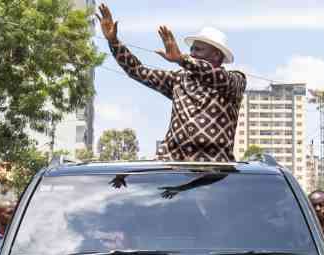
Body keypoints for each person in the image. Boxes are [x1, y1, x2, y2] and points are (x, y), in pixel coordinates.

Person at [98, 4, 245, 162]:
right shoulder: (179, 79)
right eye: (191, 50)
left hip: (215, 167)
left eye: (198, 50)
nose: (192, 54)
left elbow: (214, 76)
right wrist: (114, 42)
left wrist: (182, 59)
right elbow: (137, 70)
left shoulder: (235, 80)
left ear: (216, 55)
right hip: (172, 163)